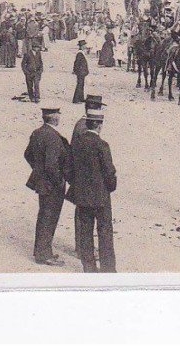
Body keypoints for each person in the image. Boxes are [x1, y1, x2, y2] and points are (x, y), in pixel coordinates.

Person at [67, 110, 117, 272]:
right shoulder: (102, 145)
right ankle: (108, 269)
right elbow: (109, 172)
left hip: (82, 196)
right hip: (101, 197)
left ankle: (89, 268)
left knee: (85, 232)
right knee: (105, 232)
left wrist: (77, 185)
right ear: (98, 125)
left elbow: (68, 169)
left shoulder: (77, 143)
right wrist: (110, 187)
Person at [24, 107, 70, 266]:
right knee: (49, 218)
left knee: (44, 216)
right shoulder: (53, 137)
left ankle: (43, 251)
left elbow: (27, 154)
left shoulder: (37, 133)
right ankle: (43, 254)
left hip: (42, 183)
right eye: (58, 115)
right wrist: (59, 180)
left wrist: (38, 171)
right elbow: (51, 165)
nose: (59, 118)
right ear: (54, 118)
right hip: (52, 186)